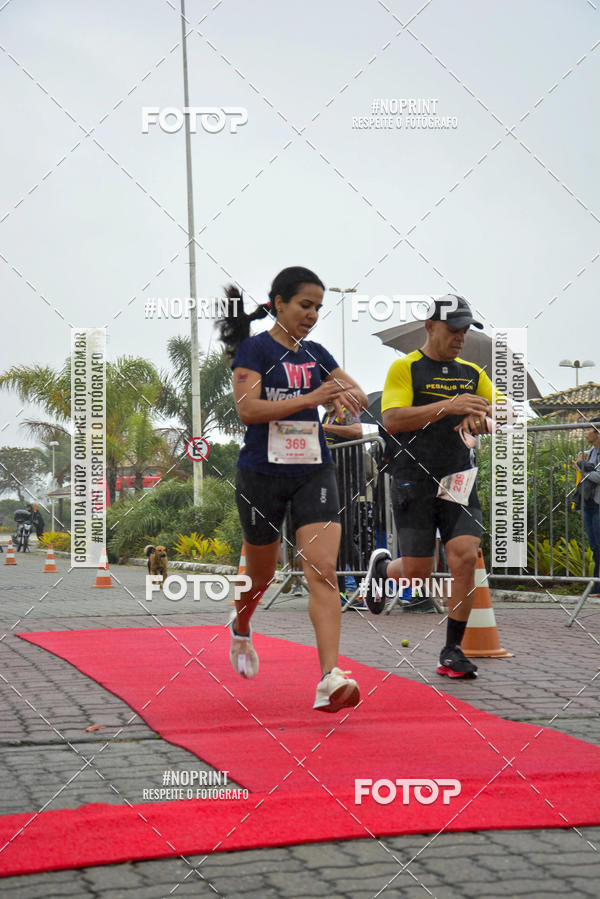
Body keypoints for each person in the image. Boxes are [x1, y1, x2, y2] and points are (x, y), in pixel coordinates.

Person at [218, 267, 369, 711]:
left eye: (319, 308)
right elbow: (248, 410)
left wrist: (347, 394)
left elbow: (354, 391)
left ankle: (329, 677)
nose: (313, 315)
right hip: (261, 475)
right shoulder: (255, 348)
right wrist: (311, 398)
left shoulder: (317, 353)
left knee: (322, 570)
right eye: (305, 305)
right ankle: (241, 627)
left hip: (312, 472)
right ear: (280, 303)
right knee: (261, 574)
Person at [362, 295, 499, 679]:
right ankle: (384, 569)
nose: (460, 338)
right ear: (430, 326)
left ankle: (452, 649)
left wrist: (484, 419)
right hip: (413, 477)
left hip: (458, 478)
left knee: (465, 554)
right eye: (453, 330)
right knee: (419, 572)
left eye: (465, 331)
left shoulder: (474, 373)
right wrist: (449, 406)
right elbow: (392, 419)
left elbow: (504, 413)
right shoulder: (405, 368)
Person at [321, 402, 363, 605]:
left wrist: (326, 428)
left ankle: (363, 591)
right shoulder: (325, 415)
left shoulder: (345, 412)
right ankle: (340, 592)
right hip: (327, 482)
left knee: (345, 536)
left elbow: (357, 431)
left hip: (346, 481)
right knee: (331, 538)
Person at [574, 419, 600, 593]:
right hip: (589, 503)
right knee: (594, 545)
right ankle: (596, 585)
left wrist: (581, 466)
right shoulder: (590, 452)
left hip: (598, 503)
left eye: (588, 429)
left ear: (597, 433)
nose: (585, 432)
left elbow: (598, 477)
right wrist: (581, 463)